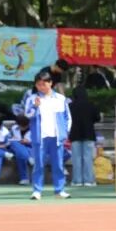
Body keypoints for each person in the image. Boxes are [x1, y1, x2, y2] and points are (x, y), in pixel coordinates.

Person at [24, 70, 72, 200]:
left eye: (43, 84)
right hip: (40, 137)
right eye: (38, 85)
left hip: (56, 137)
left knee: (58, 164)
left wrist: (65, 132)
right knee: (38, 164)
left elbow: (67, 117)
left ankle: (59, 190)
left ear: (50, 83)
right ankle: (37, 191)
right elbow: (27, 115)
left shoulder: (60, 99)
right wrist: (35, 107)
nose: (41, 87)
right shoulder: (32, 99)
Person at [68, 86, 100, 188]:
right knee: (88, 158)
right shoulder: (91, 105)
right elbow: (97, 118)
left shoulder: (70, 106)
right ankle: (88, 180)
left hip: (75, 134)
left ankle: (77, 180)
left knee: (76, 158)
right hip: (89, 133)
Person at [3, 113, 32, 185]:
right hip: (14, 148)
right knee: (14, 143)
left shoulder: (34, 129)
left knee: (20, 154)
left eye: (24, 126)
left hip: (29, 147)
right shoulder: (14, 128)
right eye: (20, 126)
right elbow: (7, 140)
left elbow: (39, 142)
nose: (22, 128)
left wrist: (28, 142)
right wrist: (15, 139)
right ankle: (29, 157)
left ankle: (24, 178)